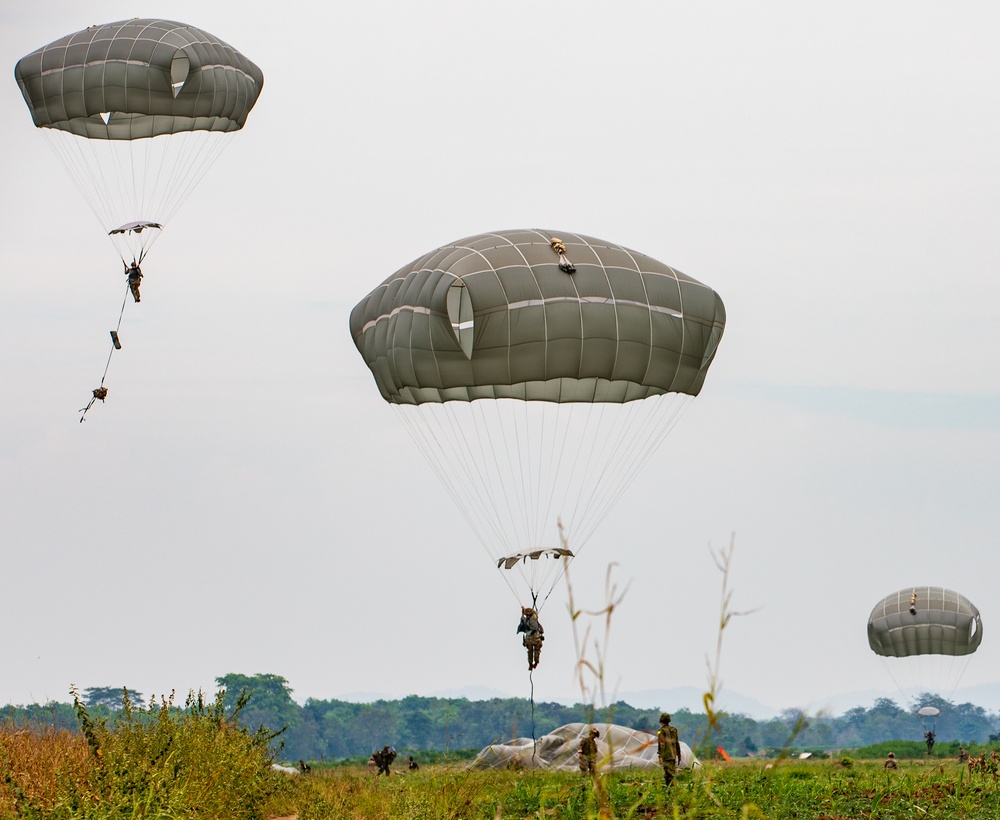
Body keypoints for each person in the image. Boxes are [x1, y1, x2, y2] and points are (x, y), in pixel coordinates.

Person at [657, 712, 681, 787]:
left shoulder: (661, 731)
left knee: (668, 775)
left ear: (661, 721)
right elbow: (677, 743)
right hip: (673, 755)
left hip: (666, 756)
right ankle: (670, 790)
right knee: (671, 773)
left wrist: (660, 756)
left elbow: (661, 744)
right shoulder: (674, 730)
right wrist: (679, 754)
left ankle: (671, 790)